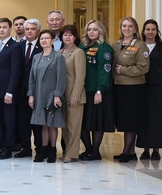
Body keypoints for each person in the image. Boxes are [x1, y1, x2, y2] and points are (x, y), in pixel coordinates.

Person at [112, 16, 149, 163]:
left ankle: (126, 151)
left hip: (133, 88)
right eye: (124, 26)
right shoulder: (116, 44)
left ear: (135, 29)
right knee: (123, 120)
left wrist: (124, 70)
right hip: (118, 87)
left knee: (130, 121)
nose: (126, 29)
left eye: (130, 26)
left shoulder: (140, 46)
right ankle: (131, 152)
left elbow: (144, 67)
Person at [28, 29, 67, 163]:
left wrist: (57, 95)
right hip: (39, 94)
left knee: (51, 124)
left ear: (52, 40)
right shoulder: (36, 57)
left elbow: (61, 78)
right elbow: (31, 78)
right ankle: (42, 151)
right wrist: (31, 95)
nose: (44, 40)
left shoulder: (58, 57)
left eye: (46, 38)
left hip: (51, 95)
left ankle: (52, 151)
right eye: (42, 38)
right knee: (42, 125)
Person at [80, 20, 115, 162]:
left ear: (101, 31)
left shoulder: (104, 48)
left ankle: (95, 151)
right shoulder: (83, 46)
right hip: (84, 90)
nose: (92, 32)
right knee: (83, 123)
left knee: (97, 122)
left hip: (98, 91)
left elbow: (104, 70)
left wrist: (99, 91)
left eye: (95, 29)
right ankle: (88, 149)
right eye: (89, 29)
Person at [0, 18, 22, 159]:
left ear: (10, 29)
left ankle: (8, 148)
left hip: (7, 91)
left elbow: (16, 72)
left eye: (5, 27)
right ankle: (1, 146)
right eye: (0, 27)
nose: (2, 30)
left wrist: (10, 92)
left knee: (9, 120)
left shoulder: (15, 47)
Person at [137, 19, 162, 161]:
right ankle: (145, 149)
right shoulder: (139, 45)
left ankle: (156, 149)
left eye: (153, 29)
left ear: (157, 31)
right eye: (147, 29)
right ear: (143, 31)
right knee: (143, 116)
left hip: (158, 87)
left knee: (157, 117)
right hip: (142, 85)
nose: (150, 32)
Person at [59, 24, 86, 163]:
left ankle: (72, 153)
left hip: (75, 95)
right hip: (61, 95)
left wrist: (75, 96)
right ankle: (66, 151)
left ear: (75, 37)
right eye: (65, 35)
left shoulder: (78, 53)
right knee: (64, 126)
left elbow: (80, 77)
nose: (67, 37)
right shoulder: (59, 52)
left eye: (70, 35)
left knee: (73, 127)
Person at [15, 18, 41, 158]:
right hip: (21, 90)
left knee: (37, 122)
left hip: (37, 90)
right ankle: (25, 148)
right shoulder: (19, 46)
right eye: (27, 29)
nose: (29, 31)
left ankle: (39, 148)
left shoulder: (43, 46)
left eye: (32, 29)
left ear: (38, 31)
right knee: (23, 121)